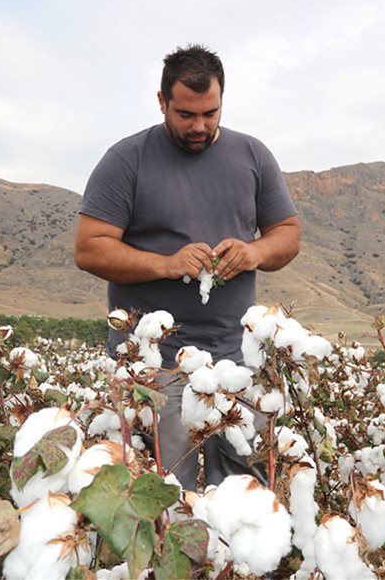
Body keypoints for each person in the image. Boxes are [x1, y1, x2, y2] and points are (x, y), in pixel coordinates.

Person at [74, 44, 301, 490]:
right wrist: (165, 264)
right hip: (153, 362)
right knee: (165, 488)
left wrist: (255, 252)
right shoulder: (127, 160)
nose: (199, 126)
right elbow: (89, 249)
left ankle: (234, 562)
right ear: (162, 102)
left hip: (235, 356)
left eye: (210, 113)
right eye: (185, 115)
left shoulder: (253, 156)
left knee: (243, 484)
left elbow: (288, 234)